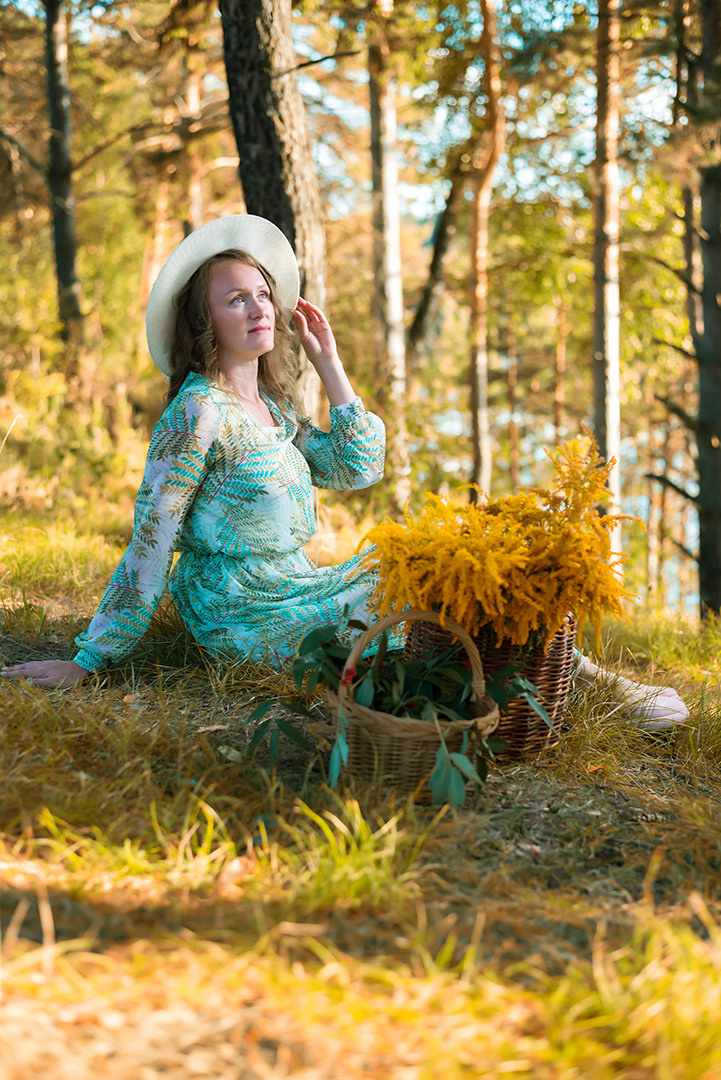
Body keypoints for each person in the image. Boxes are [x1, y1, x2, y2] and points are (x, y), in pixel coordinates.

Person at [0, 214, 690, 727]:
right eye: (235, 297)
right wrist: (91, 659)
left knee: (419, 570)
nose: (259, 307)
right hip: (240, 610)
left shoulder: (268, 407)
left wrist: (330, 365)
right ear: (202, 319)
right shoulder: (196, 414)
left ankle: (581, 682)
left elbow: (356, 468)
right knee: (398, 600)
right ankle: (569, 695)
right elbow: (150, 539)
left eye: (262, 293)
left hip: (296, 584)